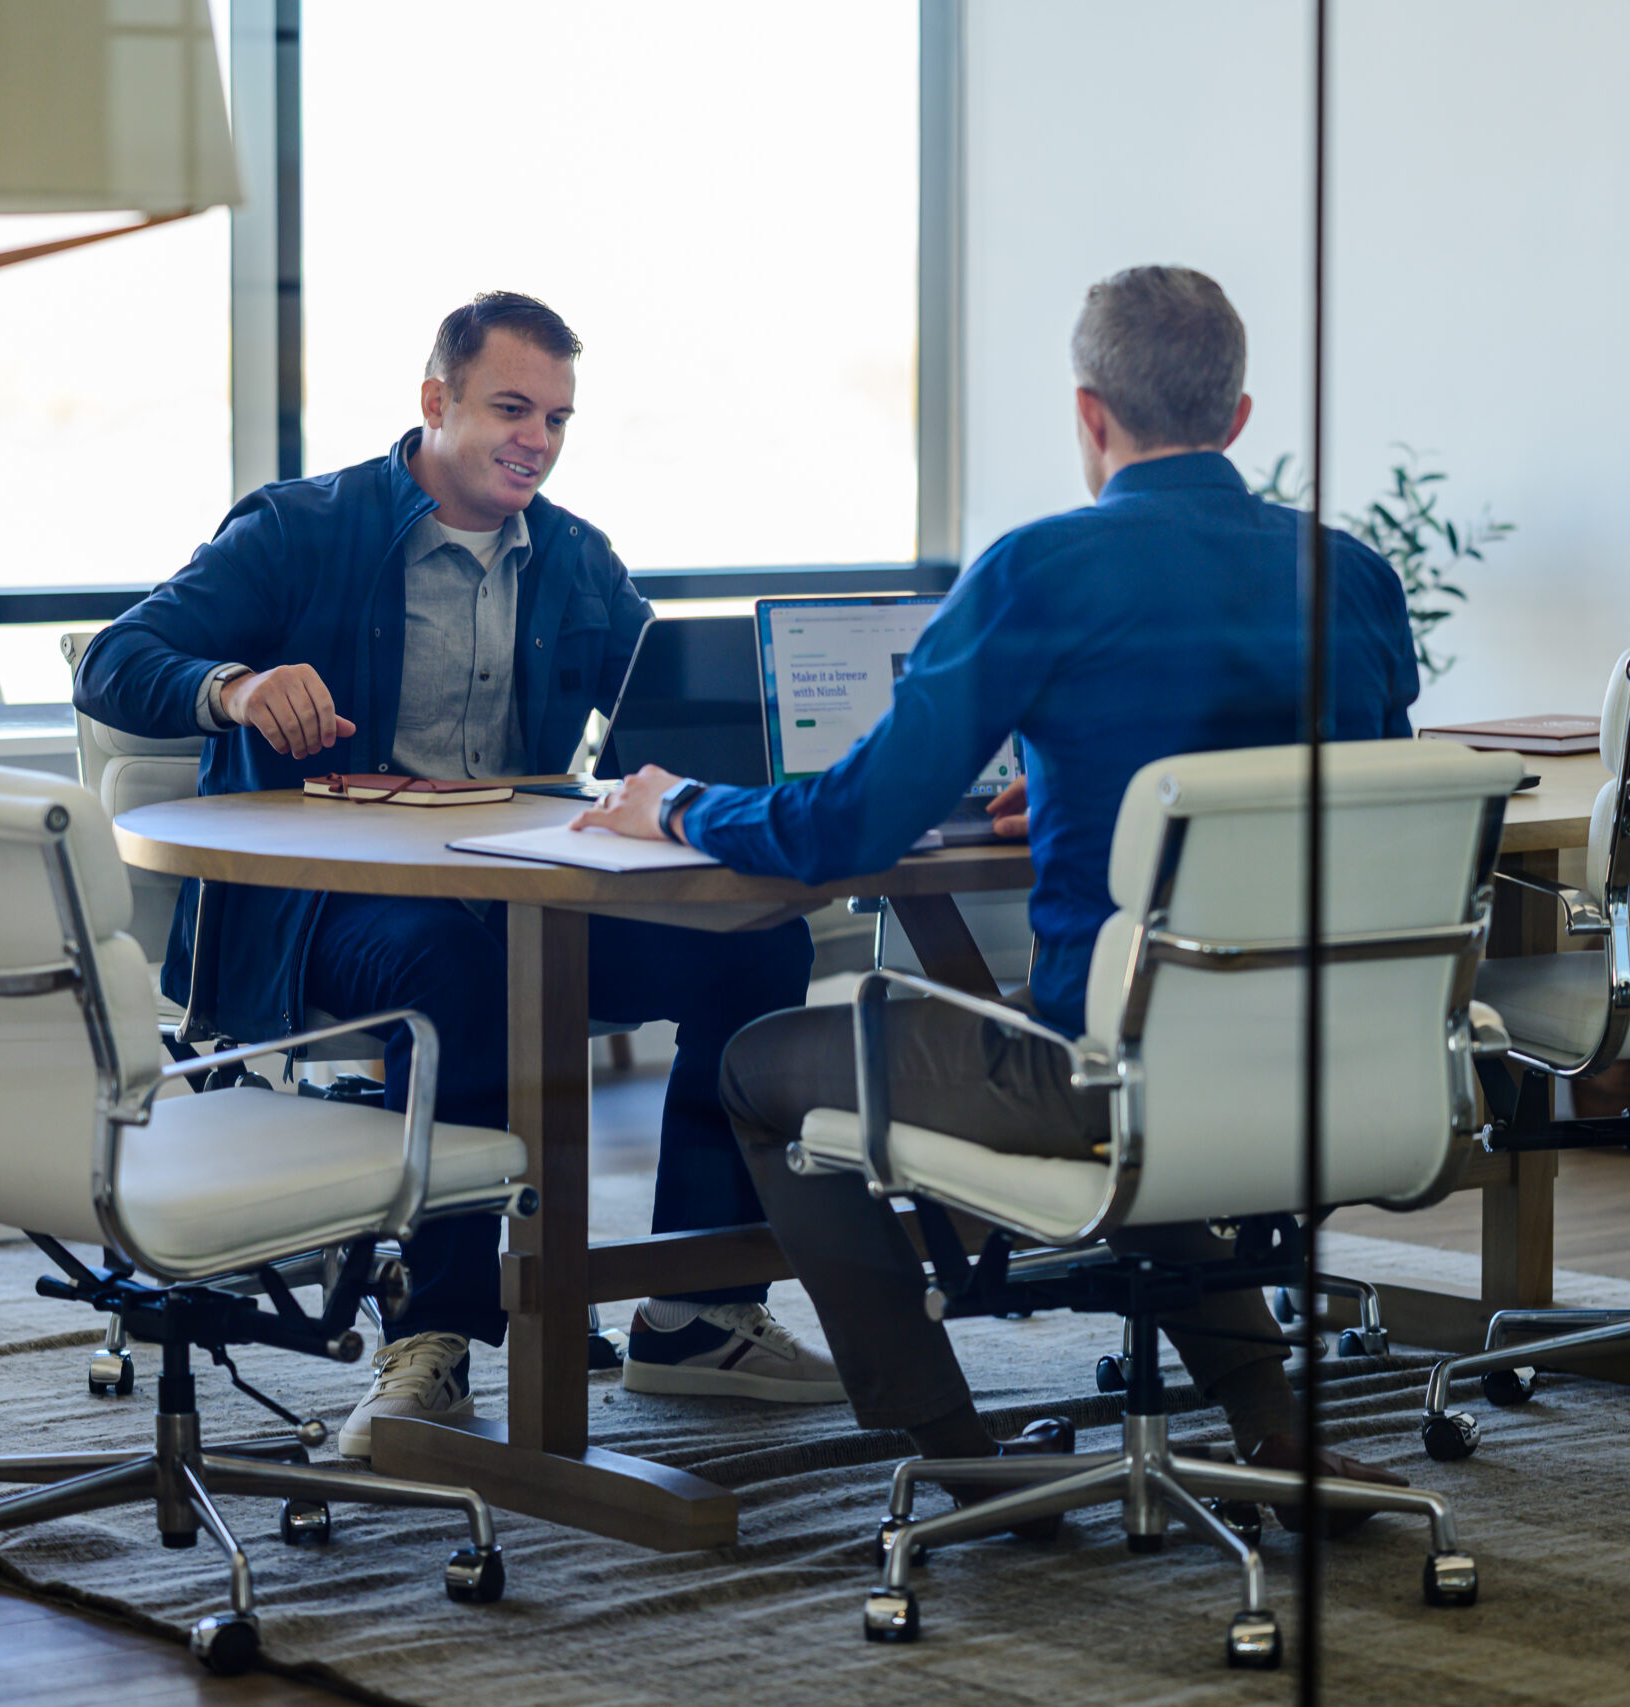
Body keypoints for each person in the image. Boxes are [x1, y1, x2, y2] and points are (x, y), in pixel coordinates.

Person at [573, 265, 1419, 1526]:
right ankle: (1272, 1434)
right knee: (1171, 1035)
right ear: (1239, 417)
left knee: (760, 1064)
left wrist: (678, 805)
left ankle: (954, 1442)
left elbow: (845, 823)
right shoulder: (1352, 574)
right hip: (1324, 1057)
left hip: (1098, 1072)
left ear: (1089, 416)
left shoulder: (1041, 570)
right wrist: (1080, 774)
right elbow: (1346, 795)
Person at [74, 291, 839, 1457]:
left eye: (559, 418)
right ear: (437, 402)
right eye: (511, 408)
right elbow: (121, 659)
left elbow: (658, 731)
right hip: (320, 909)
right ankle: (432, 1336)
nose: (536, 438)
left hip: (514, 888)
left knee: (760, 946)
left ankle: (697, 1312)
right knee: (456, 970)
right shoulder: (300, 528)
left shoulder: (578, 560)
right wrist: (231, 686)